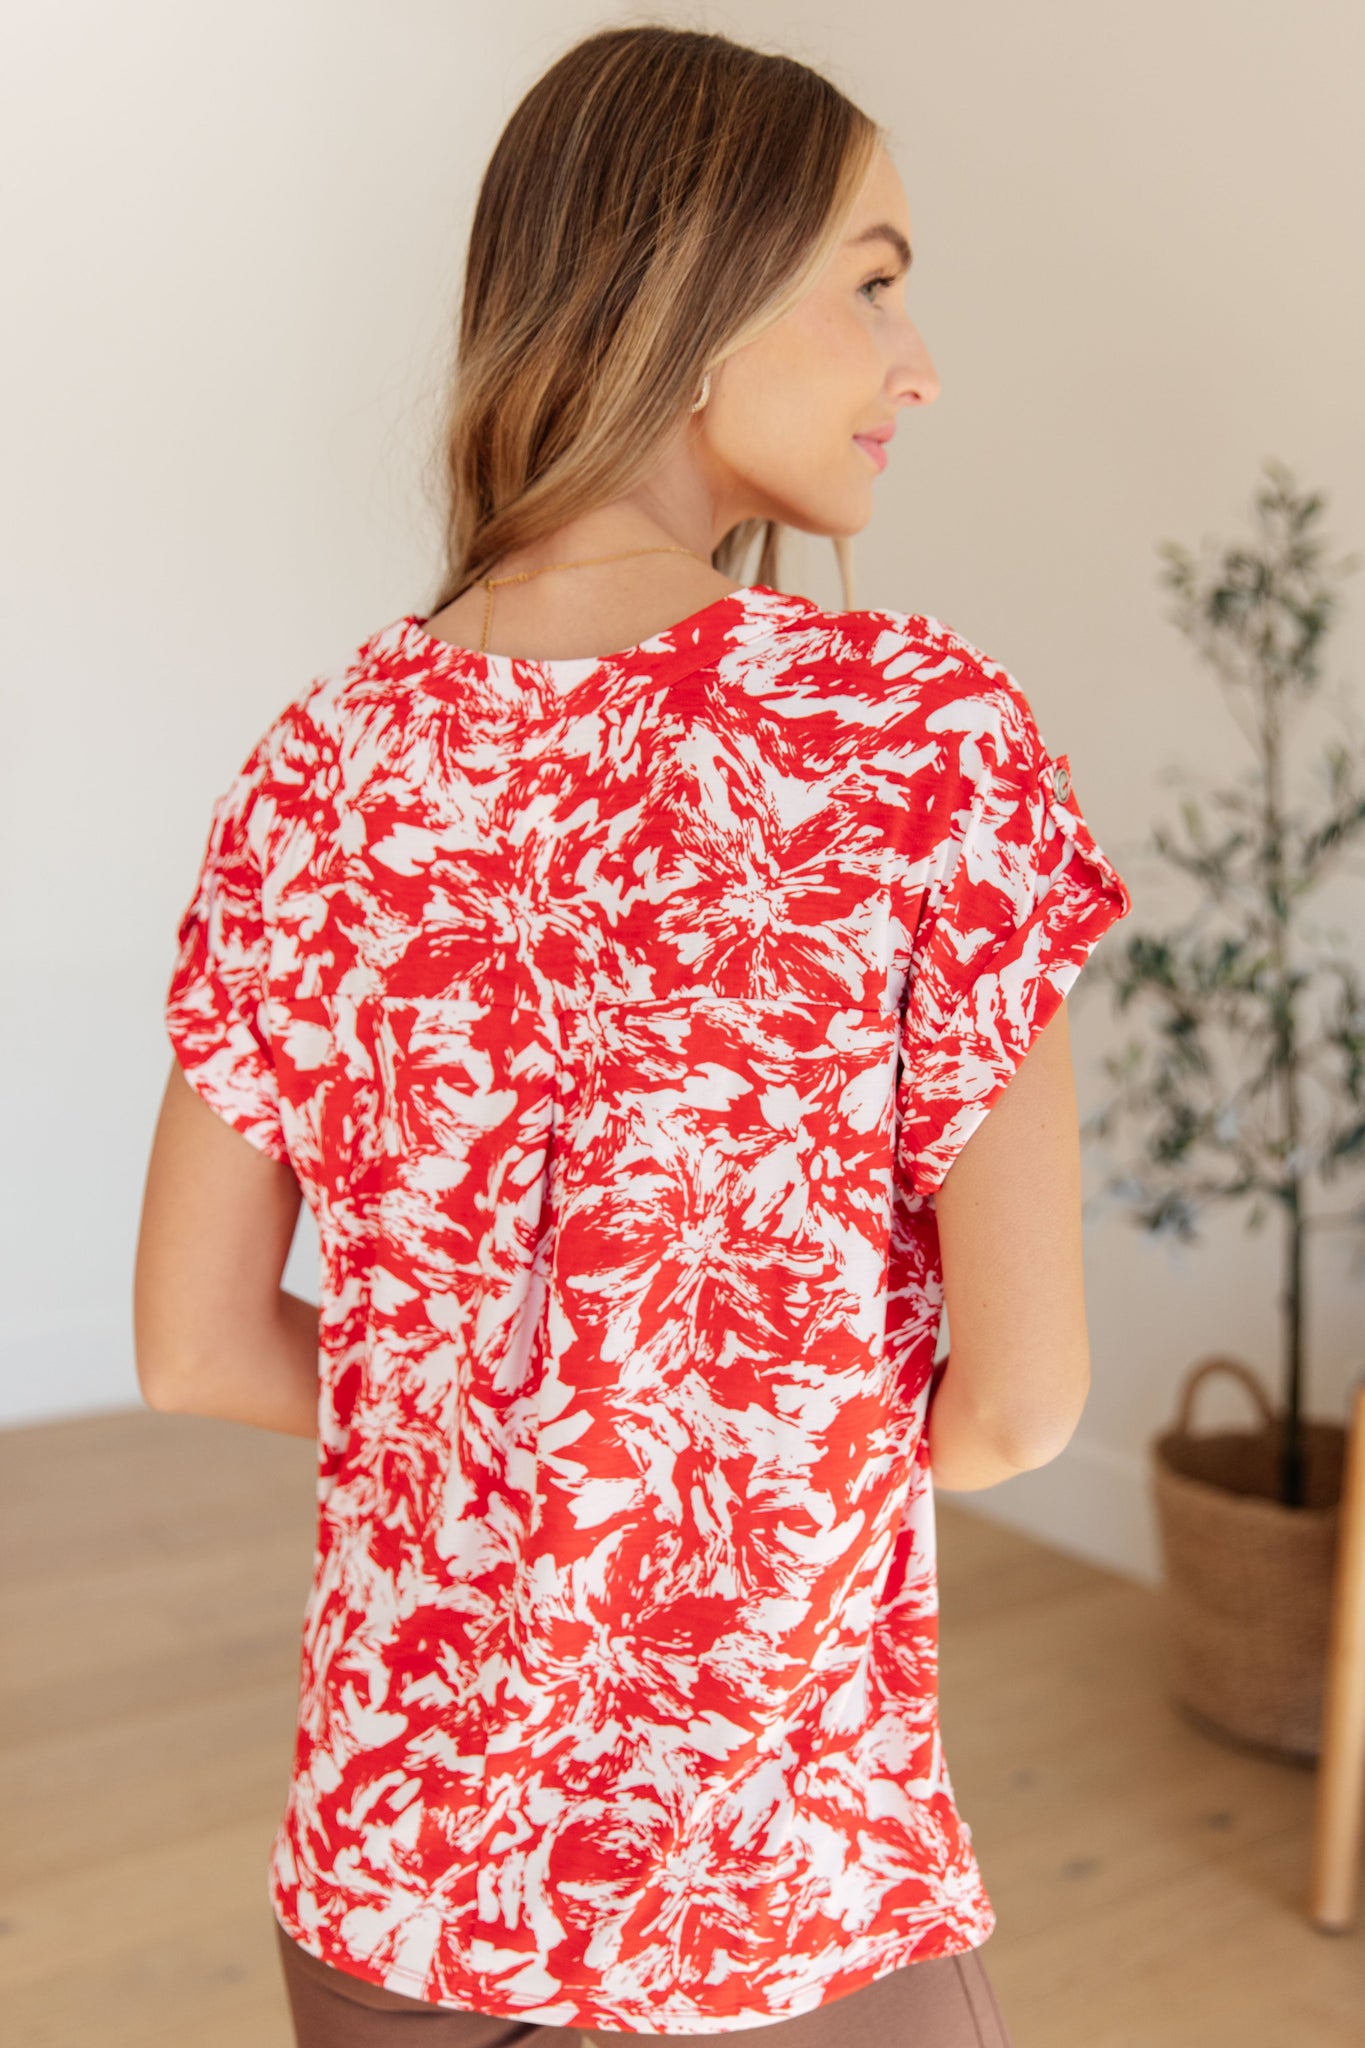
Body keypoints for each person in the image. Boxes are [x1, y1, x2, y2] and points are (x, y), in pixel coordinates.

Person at [133, 24, 1132, 2048]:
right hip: (771, 1882)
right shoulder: (911, 742)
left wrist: (511, 1445)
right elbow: (1021, 1410)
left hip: (392, 1886)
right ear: (694, 296)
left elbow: (195, 1347)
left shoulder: (318, 770)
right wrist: (702, 1465)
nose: (917, 364)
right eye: (873, 284)